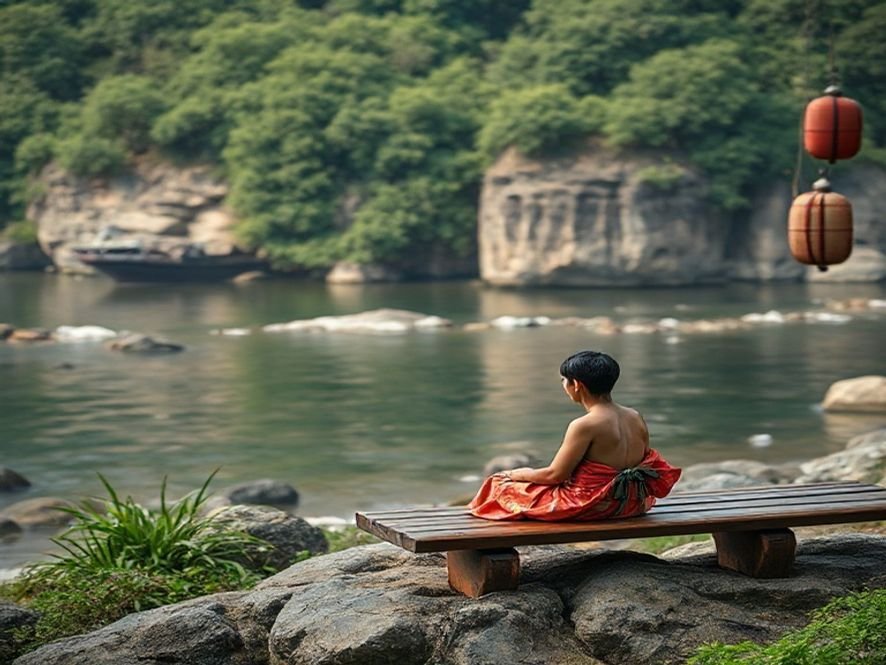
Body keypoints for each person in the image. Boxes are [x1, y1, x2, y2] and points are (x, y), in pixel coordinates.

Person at [469, 350, 681, 521]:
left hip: (595, 505)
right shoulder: (634, 416)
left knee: (499, 483)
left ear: (577, 385)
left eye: (564, 380)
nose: (564, 386)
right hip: (633, 502)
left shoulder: (584, 424)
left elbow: (555, 476)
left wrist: (516, 474)